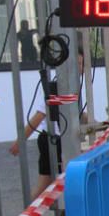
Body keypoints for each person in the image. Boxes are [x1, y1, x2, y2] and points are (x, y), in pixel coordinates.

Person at [10, 50, 87, 200]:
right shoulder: (55, 87)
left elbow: (77, 113)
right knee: (48, 183)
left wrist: (97, 122)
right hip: (52, 140)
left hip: (65, 139)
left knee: (65, 181)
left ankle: (61, 215)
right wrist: (20, 141)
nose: (81, 67)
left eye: (82, 64)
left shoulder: (74, 86)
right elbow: (39, 116)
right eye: (77, 64)